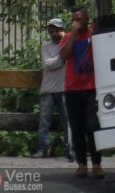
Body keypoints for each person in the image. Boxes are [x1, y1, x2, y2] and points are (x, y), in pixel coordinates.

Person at [60, 5, 104, 179]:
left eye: (79, 18)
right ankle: (81, 164)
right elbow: (63, 57)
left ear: (86, 19)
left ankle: (97, 163)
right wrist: (72, 34)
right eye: (74, 19)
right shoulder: (68, 38)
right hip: (72, 89)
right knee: (76, 128)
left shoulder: (93, 35)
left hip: (90, 88)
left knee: (92, 126)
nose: (76, 22)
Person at [32, 18, 73, 161]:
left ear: (63, 30)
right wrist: (63, 57)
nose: (55, 34)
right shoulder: (46, 47)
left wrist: (63, 53)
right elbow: (49, 64)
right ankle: (43, 149)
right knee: (44, 121)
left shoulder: (69, 44)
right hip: (48, 89)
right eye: (52, 31)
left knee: (67, 120)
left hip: (64, 89)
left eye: (58, 31)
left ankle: (69, 149)